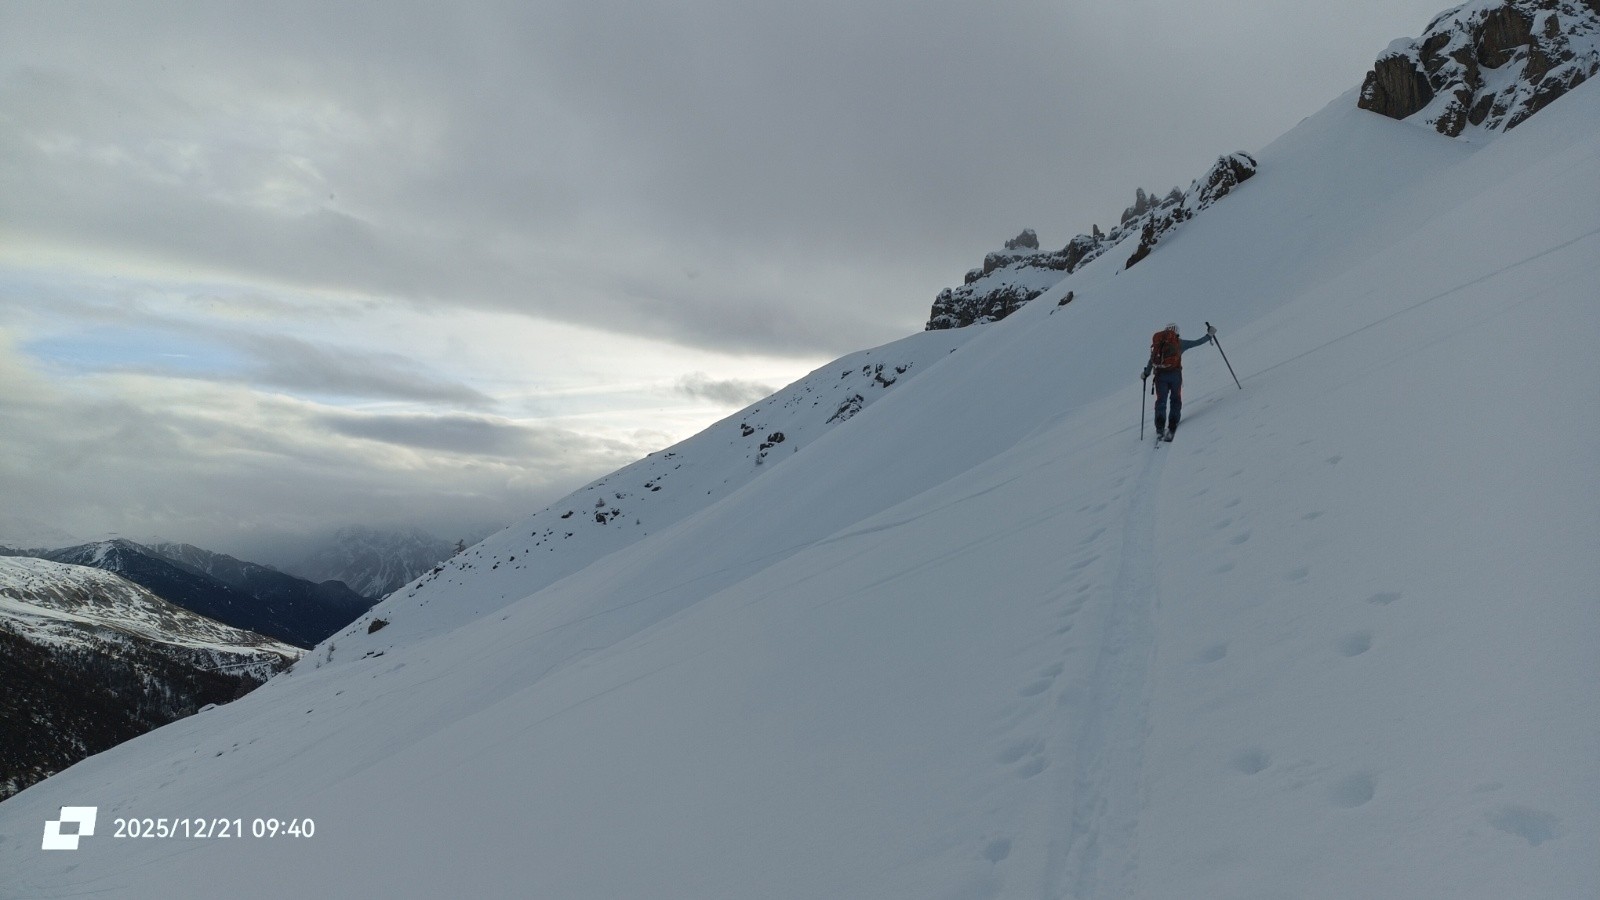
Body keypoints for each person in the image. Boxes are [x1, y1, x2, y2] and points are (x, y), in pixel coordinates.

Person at [1142, 322, 1215, 441]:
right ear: (1177, 332)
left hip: (1160, 376)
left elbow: (1152, 360)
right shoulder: (1179, 343)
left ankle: (1160, 428)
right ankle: (1172, 423)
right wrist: (1209, 335)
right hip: (1175, 375)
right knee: (1175, 399)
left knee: (1161, 400)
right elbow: (1197, 342)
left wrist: (1146, 374)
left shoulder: (1158, 344)